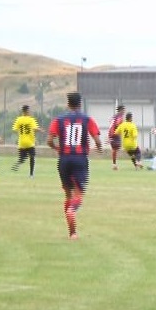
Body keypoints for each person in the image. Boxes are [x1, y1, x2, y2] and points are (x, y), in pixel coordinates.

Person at [47, 92, 103, 240]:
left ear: (68, 104)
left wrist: (57, 149)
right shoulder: (87, 119)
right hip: (80, 160)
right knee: (78, 195)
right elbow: (97, 139)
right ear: (80, 104)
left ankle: (72, 232)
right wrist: (99, 149)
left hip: (64, 160)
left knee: (68, 194)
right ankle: (73, 210)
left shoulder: (58, 120)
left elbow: (49, 140)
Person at [11, 104, 44, 177]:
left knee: (22, 158)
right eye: (29, 111)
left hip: (22, 142)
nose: (30, 112)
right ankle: (31, 174)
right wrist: (41, 130)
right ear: (27, 111)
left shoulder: (18, 119)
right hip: (30, 142)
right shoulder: (31, 119)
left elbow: (14, 129)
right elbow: (35, 128)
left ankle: (17, 164)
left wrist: (20, 132)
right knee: (32, 157)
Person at [108, 104, 125, 170]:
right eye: (123, 110)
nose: (124, 112)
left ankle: (114, 164)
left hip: (111, 133)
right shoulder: (119, 117)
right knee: (116, 148)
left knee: (115, 149)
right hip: (115, 134)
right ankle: (114, 165)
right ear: (121, 110)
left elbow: (110, 121)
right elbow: (118, 123)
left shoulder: (114, 116)